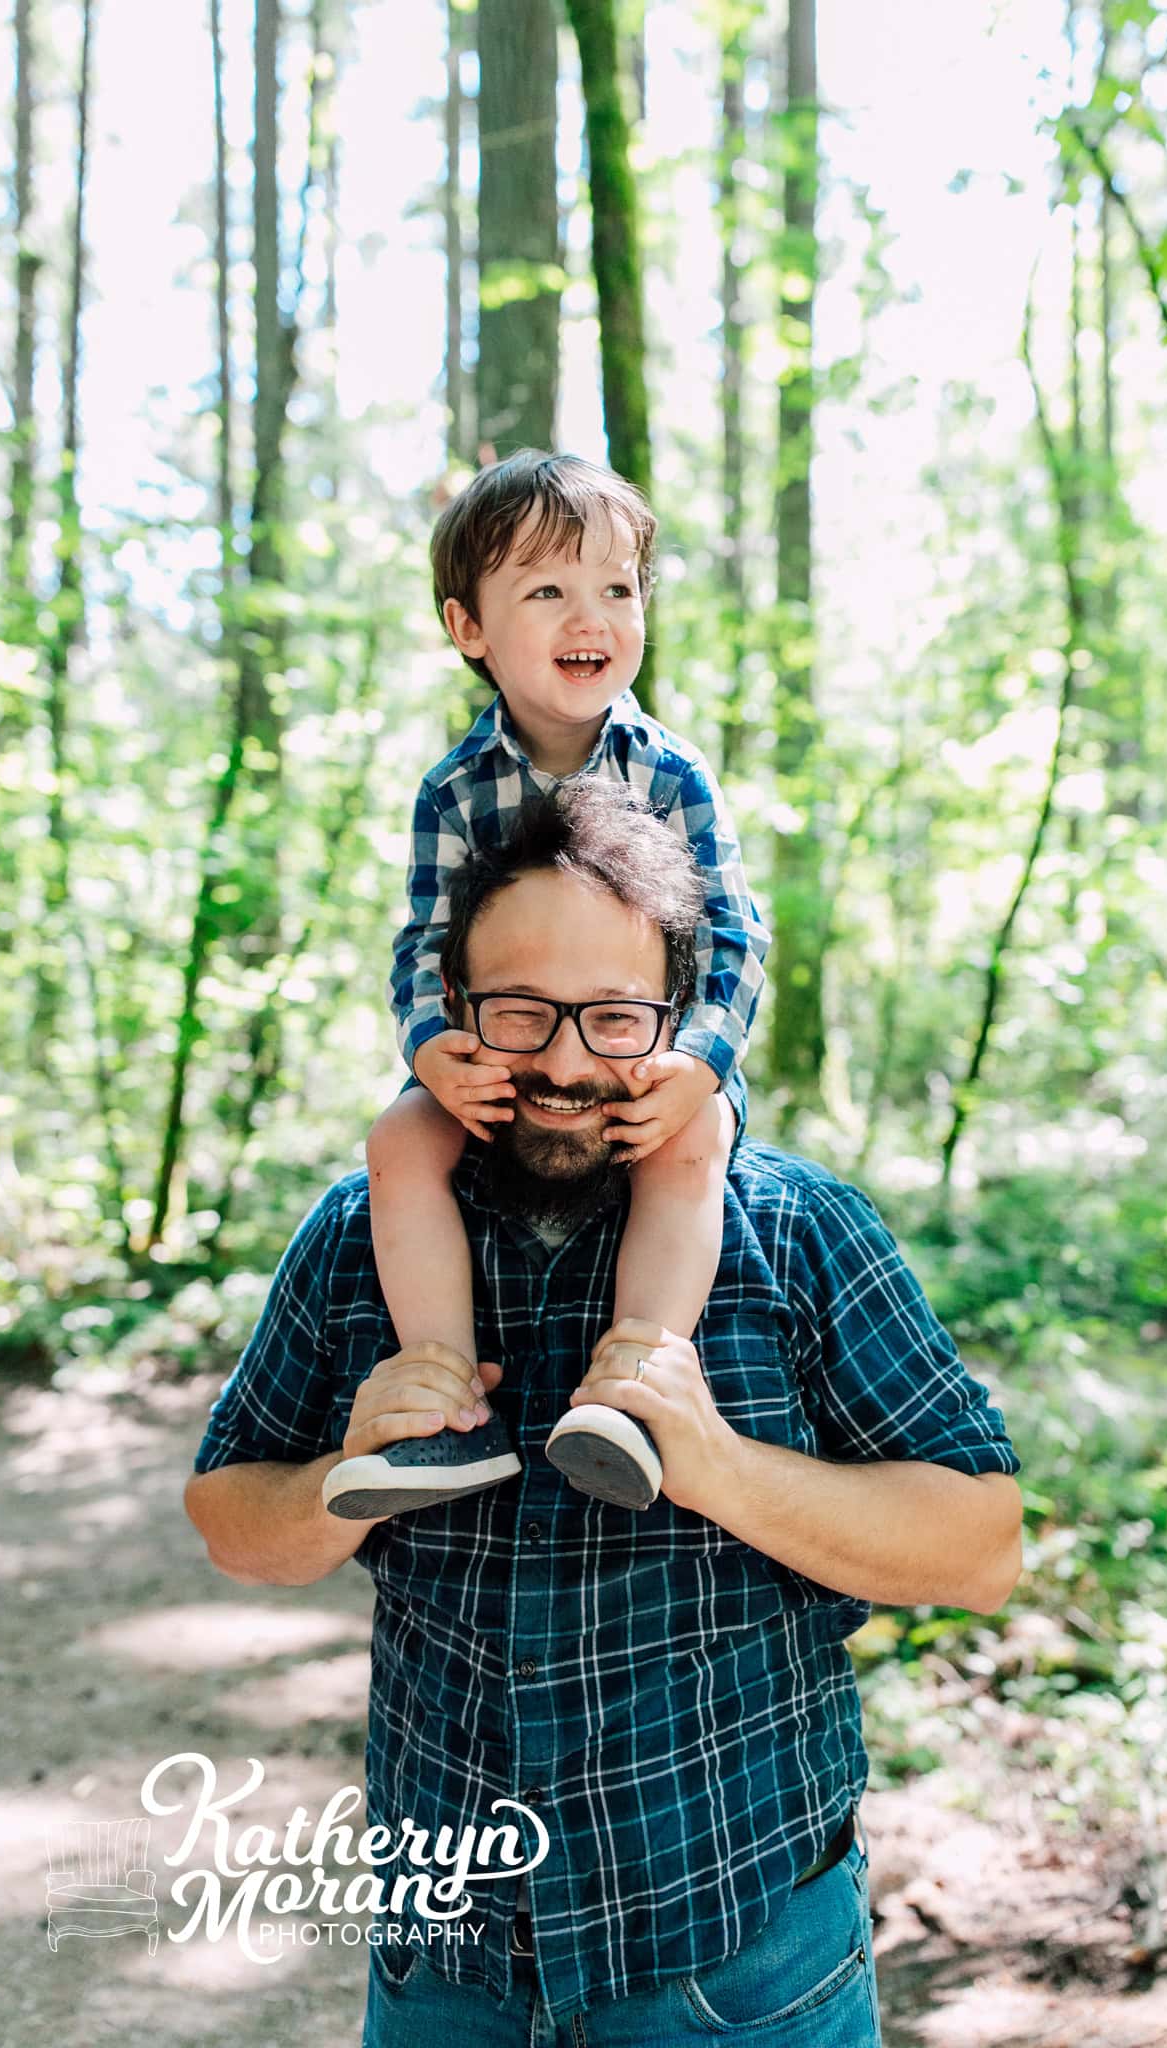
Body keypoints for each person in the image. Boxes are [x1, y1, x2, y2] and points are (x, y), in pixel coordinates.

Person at [185, 779, 1024, 2048]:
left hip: (739, 1970)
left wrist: (722, 1467)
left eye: (615, 1017)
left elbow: (983, 1548)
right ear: (448, 1013)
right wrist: (331, 1480)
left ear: (678, 1023)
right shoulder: (363, 1232)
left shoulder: (797, 1229)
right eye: (519, 1011)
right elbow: (228, 1518)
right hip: (441, 1973)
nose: (567, 1060)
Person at [337, 448, 769, 1519]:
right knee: (398, 1144)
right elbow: (423, 942)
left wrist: (698, 1063)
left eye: (617, 589)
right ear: (468, 628)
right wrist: (433, 1044)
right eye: (548, 590)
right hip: (504, 1053)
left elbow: (734, 935)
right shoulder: (454, 787)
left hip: (647, 1053)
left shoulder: (670, 774)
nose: (594, 616)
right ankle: (444, 1398)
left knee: (694, 1142)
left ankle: (634, 1385)